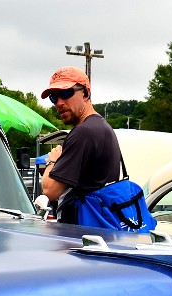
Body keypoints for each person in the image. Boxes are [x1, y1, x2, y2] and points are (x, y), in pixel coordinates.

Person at [39, 66, 121, 223]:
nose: (59, 103)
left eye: (65, 93)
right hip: (100, 231)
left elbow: (49, 191)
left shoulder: (83, 133)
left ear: (85, 93)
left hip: (81, 235)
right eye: (54, 98)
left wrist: (53, 160)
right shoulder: (103, 127)